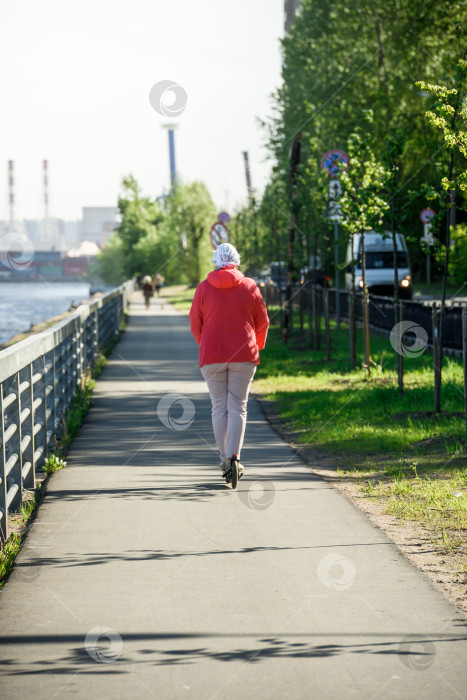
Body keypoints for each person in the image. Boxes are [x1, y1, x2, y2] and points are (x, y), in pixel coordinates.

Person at [189, 243, 269, 483]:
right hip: (244, 355)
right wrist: (257, 345)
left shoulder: (203, 289)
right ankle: (235, 457)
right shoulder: (250, 286)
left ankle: (225, 459)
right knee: (238, 407)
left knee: (218, 407)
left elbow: (195, 322)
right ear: (237, 261)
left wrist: (206, 344)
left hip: (211, 356)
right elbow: (262, 322)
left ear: (216, 261)